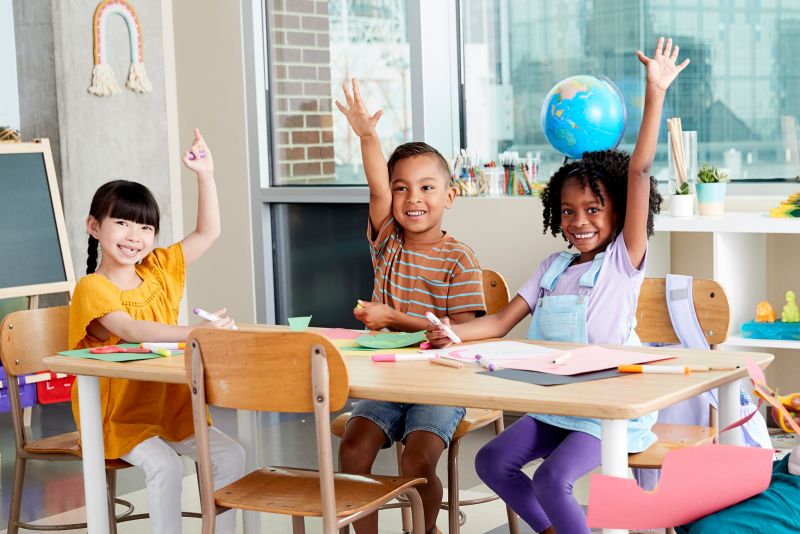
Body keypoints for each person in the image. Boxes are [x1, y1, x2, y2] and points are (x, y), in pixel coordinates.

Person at [426, 38, 687, 534]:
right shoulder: (550, 267)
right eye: (568, 212)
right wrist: (454, 335)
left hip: (608, 409)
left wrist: (654, 94)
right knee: (492, 462)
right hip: (560, 404)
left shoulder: (622, 262)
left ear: (617, 213)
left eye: (593, 210)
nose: (579, 221)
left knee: (551, 479)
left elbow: (640, 171)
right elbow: (502, 321)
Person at [69, 129, 245, 534]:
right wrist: (196, 333)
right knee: (164, 466)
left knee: (232, 455)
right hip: (117, 417)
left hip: (171, 408)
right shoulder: (92, 287)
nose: (135, 236)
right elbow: (130, 330)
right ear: (95, 227)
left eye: (146, 228)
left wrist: (206, 175)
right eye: (123, 223)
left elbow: (208, 233)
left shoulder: (158, 269)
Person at [335, 78, 486, 534]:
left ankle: (425, 529)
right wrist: (367, 137)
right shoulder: (387, 243)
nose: (412, 198)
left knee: (417, 460)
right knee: (353, 451)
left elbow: (461, 333)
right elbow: (376, 187)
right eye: (402, 189)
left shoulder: (460, 258)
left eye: (426, 188)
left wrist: (394, 318)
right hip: (385, 378)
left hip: (439, 384)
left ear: (450, 196)